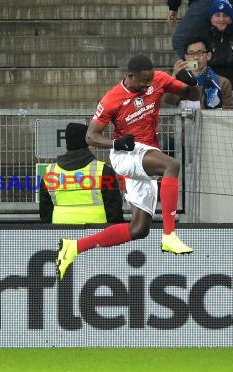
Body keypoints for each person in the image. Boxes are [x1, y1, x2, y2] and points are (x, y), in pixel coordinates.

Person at [56, 55, 201, 280]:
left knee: (139, 229)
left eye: (150, 81)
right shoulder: (112, 99)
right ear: (130, 76)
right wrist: (116, 142)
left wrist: (192, 81)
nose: (147, 85)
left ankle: (73, 247)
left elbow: (193, 96)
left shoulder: (159, 80)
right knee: (171, 165)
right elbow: (90, 136)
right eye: (143, 81)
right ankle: (170, 235)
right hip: (126, 153)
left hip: (147, 155)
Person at [39, 122, 125, 224]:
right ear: (88, 143)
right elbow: (114, 209)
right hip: (96, 233)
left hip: (61, 232)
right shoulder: (102, 170)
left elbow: (45, 211)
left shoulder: (50, 173)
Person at [164, 36, 233, 109]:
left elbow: (228, 111)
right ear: (186, 57)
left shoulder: (222, 82)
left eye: (200, 53)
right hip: (185, 119)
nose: (196, 57)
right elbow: (168, 100)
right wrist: (174, 77)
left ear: (208, 56)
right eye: (191, 53)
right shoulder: (181, 80)